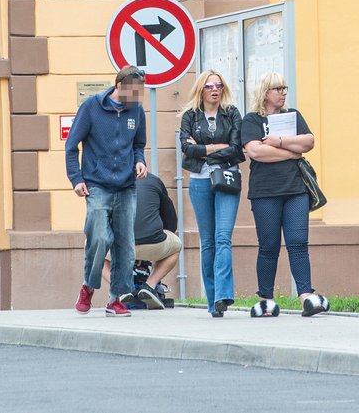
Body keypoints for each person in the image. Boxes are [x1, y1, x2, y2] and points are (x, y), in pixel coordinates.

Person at [241, 72, 329, 318]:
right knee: (268, 246)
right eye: (277, 88)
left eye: (284, 88)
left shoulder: (293, 116)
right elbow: (256, 152)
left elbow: (308, 142)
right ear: (265, 92)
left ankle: (306, 296)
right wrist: (292, 152)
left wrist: (278, 140)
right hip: (265, 193)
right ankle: (266, 299)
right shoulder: (252, 120)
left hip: (295, 190)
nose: (283, 92)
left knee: (298, 244)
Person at [66, 65, 148, 317]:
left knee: (126, 245)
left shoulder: (136, 110)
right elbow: (71, 146)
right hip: (96, 185)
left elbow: (139, 144)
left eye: (140, 93)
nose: (137, 98)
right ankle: (88, 287)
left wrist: (139, 160)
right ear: (120, 86)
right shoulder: (91, 107)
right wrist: (76, 179)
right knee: (100, 237)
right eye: (133, 92)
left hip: (126, 186)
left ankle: (115, 299)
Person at [180, 70, 245, 318]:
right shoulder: (190, 116)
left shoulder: (232, 114)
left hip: (227, 179)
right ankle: (212, 302)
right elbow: (186, 148)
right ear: (201, 90)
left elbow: (237, 149)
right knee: (207, 242)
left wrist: (205, 149)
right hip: (199, 182)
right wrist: (220, 147)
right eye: (209, 86)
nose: (215, 90)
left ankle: (223, 295)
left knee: (222, 238)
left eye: (219, 85)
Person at [131, 172, 182, 310]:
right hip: (152, 241)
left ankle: (121, 289)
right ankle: (150, 285)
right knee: (176, 245)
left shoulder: (109, 179)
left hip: (121, 244)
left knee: (91, 246)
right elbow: (170, 219)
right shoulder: (153, 180)